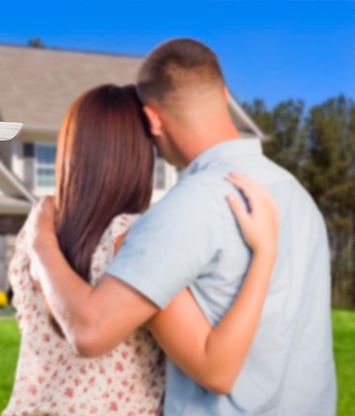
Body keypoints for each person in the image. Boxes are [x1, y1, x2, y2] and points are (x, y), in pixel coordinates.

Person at [24, 39, 337, 415]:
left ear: (153, 119)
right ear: (223, 94)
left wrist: (40, 241)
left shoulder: (185, 209)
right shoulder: (297, 196)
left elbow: (90, 332)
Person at [3, 84, 280, 416]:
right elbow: (216, 370)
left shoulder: (35, 233)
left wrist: (39, 241)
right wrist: (265, 252)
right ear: (137, 155)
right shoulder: (132, 240)